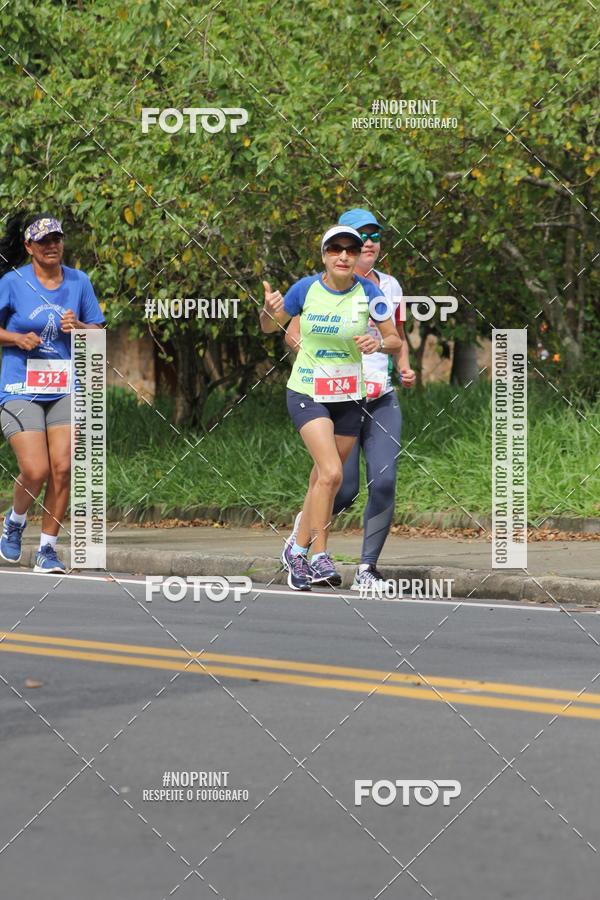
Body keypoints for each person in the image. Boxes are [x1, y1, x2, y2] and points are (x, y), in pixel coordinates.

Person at [260, 224, 402, 591]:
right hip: (307, 390)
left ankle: (298, 550)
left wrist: (377, 343)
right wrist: (268, 310)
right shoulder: (305, 289)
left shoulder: (368, 291)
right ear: (324, 255)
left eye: (350, 251)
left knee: (320, 481)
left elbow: (393, 338)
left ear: (357, 257)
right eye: (335, 249)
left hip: (348, 395)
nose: (343, 256)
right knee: (332, 473)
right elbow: (269, 327)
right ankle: (320, 555)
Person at [0, 213, 104, 573]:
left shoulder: (79, 282)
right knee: (36, 469)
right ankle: (15, 520)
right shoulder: (12, 283)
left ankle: (47, 549)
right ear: (29, 247)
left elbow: (98, 334)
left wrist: (80, 327)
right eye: (43, 241)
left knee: (63, 468)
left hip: (63, 386)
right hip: (19, 387)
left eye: (57, 239)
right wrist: (15, 338)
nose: (52, 246)